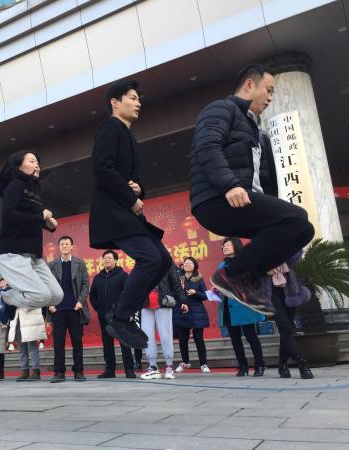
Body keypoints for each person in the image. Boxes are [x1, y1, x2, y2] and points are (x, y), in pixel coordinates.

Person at [189, 63, 314, 314]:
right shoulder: (221, 109)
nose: (270, 97)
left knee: (303, 230)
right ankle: (231, 274)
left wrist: (274, 213)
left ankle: (249, 277)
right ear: (249, 84)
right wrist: (229, 184)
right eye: (268, 90)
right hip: (216, 199)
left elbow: (265, 180)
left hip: (244, 200)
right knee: (297, 217)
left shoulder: (255, 130)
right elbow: (207, 147)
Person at [89, 79, 172, 350]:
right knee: (150, 258)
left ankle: (122, 314)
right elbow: (103, 168)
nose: (138, 103)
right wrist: (131, 198)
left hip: (126, 210)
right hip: (114, 211)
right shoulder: (110, 127)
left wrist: (138, 190)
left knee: (163, 260)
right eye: (132, 98)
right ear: (115, 102)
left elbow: (131, 180)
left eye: (139, 99)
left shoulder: (128, 135)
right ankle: (121, 318)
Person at [0, 151, 63, 323]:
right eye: (32, 161)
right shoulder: (14, 186)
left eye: (38, 162)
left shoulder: (34, 191)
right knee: (41, 295)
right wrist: (40, 217)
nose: (37, 165)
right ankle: (5, 297)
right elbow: (9, 215)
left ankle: (11, 299)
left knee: (57, 296)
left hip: (33, 256)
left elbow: (32, 218)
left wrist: (48, 224)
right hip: (12, 252)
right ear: (18, 166)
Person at [218, 238, 266, 377]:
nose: (225, 247)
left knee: (251, 336)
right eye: (224, 246)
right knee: (235, 339)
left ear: (236, 246)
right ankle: (242, 366)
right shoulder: (222, 265)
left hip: (243, 304)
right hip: (228, 305)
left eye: (228, 245)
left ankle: (259, 365)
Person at [47, 236, 90, 383]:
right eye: (62, 244)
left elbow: (85, 284)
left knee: (77, 342)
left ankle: (78, 371)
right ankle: (59, 372)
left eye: (67, 244)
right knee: (58, 343)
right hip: (57, 310)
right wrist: (50, 304)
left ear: (72, 246)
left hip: (75, 309)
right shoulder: (52, 265)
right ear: (59, 247)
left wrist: (80, 301)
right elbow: (46, 285)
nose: (64, 246)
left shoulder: (79, 263)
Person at [89, 250, 135, 379]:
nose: (107, 260)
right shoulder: (98, 278)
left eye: (110, 258)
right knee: (107, 345)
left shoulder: (122, 276)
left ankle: (129, 370)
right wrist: (99, 308)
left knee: (124, 344)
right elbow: (92, 296)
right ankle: (110, 370)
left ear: (115, 260)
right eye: (105, 258)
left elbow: (129, 294)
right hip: (104, 317)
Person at [268, 253, 313, 379]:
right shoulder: (258, 249)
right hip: (270, 293)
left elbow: (296, 255)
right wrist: (263, 270)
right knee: (285, 327)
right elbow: (251, 270)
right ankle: (301, 362)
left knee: (287, 329)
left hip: (290, 290)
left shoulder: (285, 247)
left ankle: (282, 364)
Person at [140, 265, 187, 380]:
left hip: (164, 303)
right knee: (147, 336)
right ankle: (153, 367)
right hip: (145, 304)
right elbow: (135, 285)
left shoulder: (167, 264)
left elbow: (176, 283)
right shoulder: (142, 264)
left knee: (166, 335)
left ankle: (169, 367)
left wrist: (183, 301)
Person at [173, 257, 210, 373]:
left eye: (190, 263)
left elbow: (205, 296)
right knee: (182, 339)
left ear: (195, 266)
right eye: (185, 263)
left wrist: (196, 293)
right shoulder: (177, 278)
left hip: (196, 311)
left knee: (199, 339)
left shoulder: (198, 278)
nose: (187, 265)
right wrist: (179, 291)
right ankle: (185, 362)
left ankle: (203, 364)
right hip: (181, 310)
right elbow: (172, 293)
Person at [8, 307, 46, 381]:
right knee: (21, 347)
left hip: (29, 316)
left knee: (32, 346)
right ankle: (24, 371)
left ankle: (35, 371)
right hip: (17, 317)